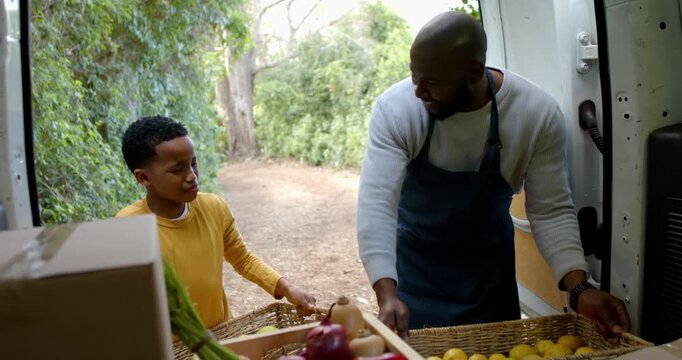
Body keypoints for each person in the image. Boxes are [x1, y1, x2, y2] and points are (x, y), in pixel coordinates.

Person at [357, 12, 629, 340]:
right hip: (415, 277)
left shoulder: (536, 114)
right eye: (415, 77)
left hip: (487, 282)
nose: (419, 92)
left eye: (431, 82)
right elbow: (377, 208)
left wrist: (579, 288)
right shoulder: (396, 110)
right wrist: (387, 295)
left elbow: (551, 210)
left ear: (474, 72)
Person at [117, 115, 316, 328]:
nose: (192, 176)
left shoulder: (214, 208)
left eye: (193, 164)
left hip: (222, 338)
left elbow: (243, 260)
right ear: (143, 178)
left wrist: (287, 288)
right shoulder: (128, 228)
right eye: (177, 170)